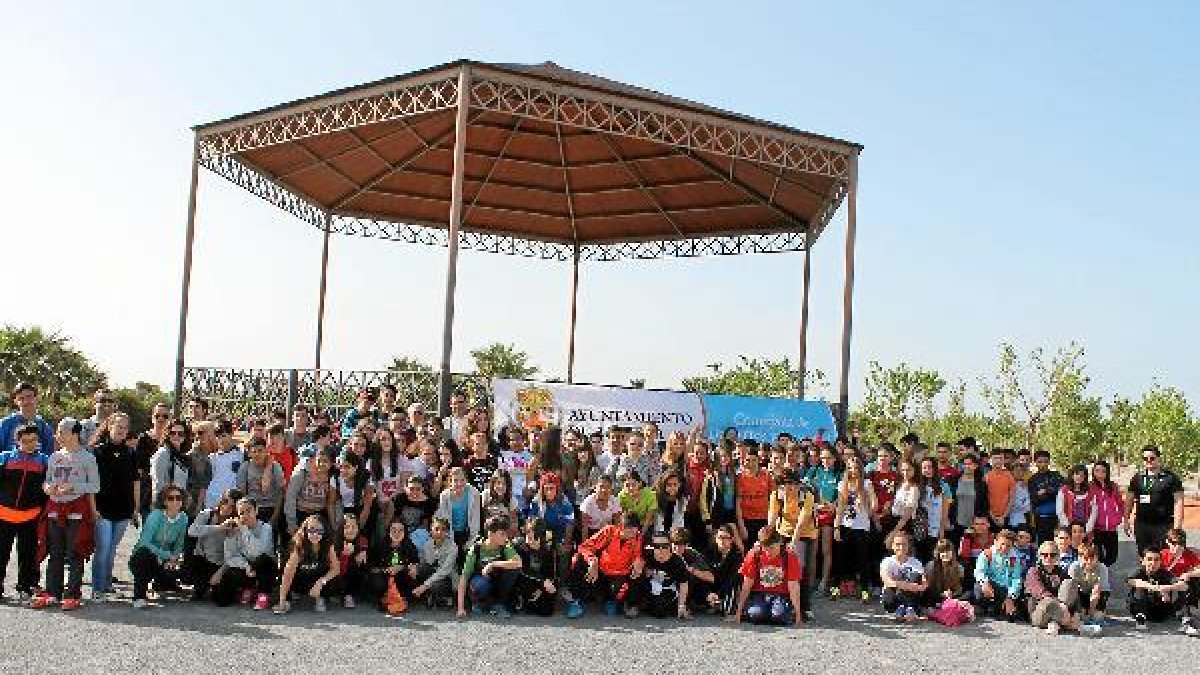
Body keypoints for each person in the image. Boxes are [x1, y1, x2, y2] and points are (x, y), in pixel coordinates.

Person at [35, 418, 100, 610]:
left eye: (62, 431)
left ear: (74, 433)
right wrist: (49, 488)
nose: (58, 435)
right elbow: (46, 482)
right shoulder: (54, 457)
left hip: (77, 511)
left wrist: (73, 486)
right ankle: (52, 593)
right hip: (55, 509)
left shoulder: (88, 458)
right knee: (54, 553)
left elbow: (95, 486)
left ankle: (72, 595)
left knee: (75, 552)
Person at [88, 412, 140, 602]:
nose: (122, 430)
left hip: (124, 509)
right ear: (109, 427)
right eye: (118, 426)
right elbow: (91, 484)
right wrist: (93, 509)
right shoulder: (98, 452)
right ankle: (97, 588)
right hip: (103, 508)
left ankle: (107, 584)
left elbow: (135, 482)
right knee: (102, 547)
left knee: (112, 549)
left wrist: (135, 507)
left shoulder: (131, 453)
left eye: (125, 428)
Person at [0, 423, 50, 602]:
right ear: (17, 441)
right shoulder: (5, 458)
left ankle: (25, 588)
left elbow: (48, 488)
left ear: (38, 440)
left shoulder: (44, 461)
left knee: (27, 555)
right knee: (1, 553)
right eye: (25, 441)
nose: (30, 444)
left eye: (33, 440)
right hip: (4, 515)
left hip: (30, 516)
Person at [564, 512, 644, 619]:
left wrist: (639, 562)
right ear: (620, 526)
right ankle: (575, 601)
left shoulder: (638, 537)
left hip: (618, 577)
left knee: (638, 572)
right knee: (578, 558)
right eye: (628, 527)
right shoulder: (609, 531)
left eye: (635, 527)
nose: (632, 531)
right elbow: (584, 547)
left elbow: (638, 556)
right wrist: (593, 561)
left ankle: (618, 601)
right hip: (599, 573)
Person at [128, 485, 190, 608]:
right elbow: (144, 542)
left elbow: (179, 543)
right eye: (171, 498)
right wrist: (164, 555)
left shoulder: (183, 518)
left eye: (178, 498)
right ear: (164, 501)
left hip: (165, 559)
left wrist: (174, 558)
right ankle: (139, 597)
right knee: (144, 555)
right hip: (145, 557)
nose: (175, 501)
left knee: (179, 571)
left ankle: (159, 584)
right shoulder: (156, 515)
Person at [732, 527, 803, 626]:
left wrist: (798, 615)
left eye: (772, 548)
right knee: (755, 615)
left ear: (780, 543)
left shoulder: (789, 555)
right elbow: (746, 585)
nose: (768, 552)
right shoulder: (754, 554)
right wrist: (738, 612)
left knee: (778, 616)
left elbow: (794, 586)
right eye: (765, 547)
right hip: (759, 594)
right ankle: (764, 613)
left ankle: (779, 613)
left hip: (781, 595)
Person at [214, 497, 277, 610]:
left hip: (264, 566)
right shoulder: (234, 529)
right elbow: (230, 557)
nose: (246, 515)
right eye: (242, 513)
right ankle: (248, 588)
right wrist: (246, 565)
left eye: (249, 510)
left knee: (265, 561)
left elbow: (258, 551)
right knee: (221, 598)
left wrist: (244, 530)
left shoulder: (266, 528)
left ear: (256, 510)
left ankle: (263, 594)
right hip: (247, 566)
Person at [457, 515, 522, 618]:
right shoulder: (475, 549)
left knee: (513, 569)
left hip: (497, 583)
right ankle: (478, 603)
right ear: (491, 534)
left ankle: (498, 604)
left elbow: (518, 563)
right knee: (480, 584)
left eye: (506, 534)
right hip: (480, 582)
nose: (506, 537)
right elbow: (464, 578)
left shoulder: (505, 545)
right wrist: (460, 608)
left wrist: (492, 564)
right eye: (502, 534)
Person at [273, 514, 340, 614]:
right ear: (305, 530)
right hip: (297, 579)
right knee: (282, 582)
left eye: (319, 531)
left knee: (332, 579)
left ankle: (320, 596)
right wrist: (282, 601)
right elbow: (288, 574)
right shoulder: (299, 546)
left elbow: (336, 569)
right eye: (311, 530)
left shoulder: (327, 544)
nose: (315, 534)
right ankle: (288, 598)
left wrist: (321, 582)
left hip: (316, 578)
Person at [1124, 445, 1184, 555]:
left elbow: (1179, 503)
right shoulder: (1137, 478)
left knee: (1164, 557)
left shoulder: (1171, 478)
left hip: (1164, 526)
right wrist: (1126, 520)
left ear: (1158, 459)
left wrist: (1177, 530)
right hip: (1142, 525)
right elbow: (1129, 500)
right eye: (1145, 458)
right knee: (1144, 556)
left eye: (1152, 458)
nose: (1148, 461)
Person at [834, 455, 877, 602]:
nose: (853, 471)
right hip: (845, 525)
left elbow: (874, 506)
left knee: (863, 560)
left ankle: (865, 591)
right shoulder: (842, 484)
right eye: (850, 468)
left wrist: (864, 501)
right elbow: (840, 507)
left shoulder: (867, 483)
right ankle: (835, 588)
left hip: (862, 527)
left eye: (856, 468)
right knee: (840, 559)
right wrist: (836, 527)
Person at [186, 490, 241, 601]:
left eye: (231, 506)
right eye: (225, 502)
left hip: (221, 564)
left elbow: (235, 554)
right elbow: (191, 531)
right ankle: (199, 585)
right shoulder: (207, 514)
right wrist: (219, 527)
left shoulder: (236, 525)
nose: (226, 507)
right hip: (202, 560)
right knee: (198, 593)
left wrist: (220, 572)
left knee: (221, 599)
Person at [235, 437, 285, 549]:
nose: (257, 454)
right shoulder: (245, 467)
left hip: (271, 507)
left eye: (260, 451)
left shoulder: (275, 466)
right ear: (249, 453)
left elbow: (281, 493)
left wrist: (275, 516)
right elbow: (241, 493)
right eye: (254, 451)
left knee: (270, 544)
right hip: (252, 508)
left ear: (266, 451)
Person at [629, 531, 690, 619]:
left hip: (668, 590)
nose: (661, 549)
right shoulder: (647, 555)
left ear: (669, 546)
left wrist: (681, 605)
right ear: (652, 547)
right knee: (634, 571)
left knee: (660, 612)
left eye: (664, 546)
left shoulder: (677, 562)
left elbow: (683, 584)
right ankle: (634, 605)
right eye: (657, 546)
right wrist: (639, 565)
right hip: (649, 588)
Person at [1127, 546, 1189, 632]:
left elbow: (1184, 585)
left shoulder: (1165, 573)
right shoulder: (1139, 572)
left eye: (1156, 560)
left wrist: (1168, 588)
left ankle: (1186, 622)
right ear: (1143, 561)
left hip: (1162, 610)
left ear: (1160, 562)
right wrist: (1156, 588)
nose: (1153, 563)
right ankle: (1140, 621)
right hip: (1142, 609)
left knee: (1182, 590)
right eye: (1149, 559)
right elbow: (1131, 581)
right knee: (1140, 586)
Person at [1025, 542, 1082, 635]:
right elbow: (1041, 593)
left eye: (1052, 555)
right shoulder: (1033, 571)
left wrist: (1077, 613)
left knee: (1070, 583)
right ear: (1039, 556)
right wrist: (1061, 606)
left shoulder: (1061, 572)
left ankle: (1056, 622)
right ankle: (1064, 622)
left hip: (1062, 611)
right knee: (1048, 602)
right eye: (1045, 555)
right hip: (1040, 612)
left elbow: (1073, 592)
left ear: (1057, 556)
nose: (1048, 558)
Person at [805, 445, 840, 596]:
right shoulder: (814, 471)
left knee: (826, 550)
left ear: (834, 458)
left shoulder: (839, 474)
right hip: (814, 514)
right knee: (813, 551)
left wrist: (834, 505)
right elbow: (804, 488)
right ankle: (811, 583)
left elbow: (842, 495)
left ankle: (824, 582)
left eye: (829, 458)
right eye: (823, 458)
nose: (825, 461)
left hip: (829, 516)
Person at [367, 519, 420, 615]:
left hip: (401, 577)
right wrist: (386, 570)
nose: (397, 533)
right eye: (394, 530)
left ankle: (403, 599)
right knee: (377, 582)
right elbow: (371, 567)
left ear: (405, 532)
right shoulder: (380, 545)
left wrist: (403, 567)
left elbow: (415, 563)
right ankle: (382, 599)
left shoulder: (410, 546)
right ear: (388, 531)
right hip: (383, 576)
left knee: (412, 574)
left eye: (400, 530)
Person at [513, 517, 559, 616]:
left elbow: (553, 572)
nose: (530, 541)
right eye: (528, 535)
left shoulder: (549, 546)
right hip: (527, 579)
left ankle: (533, 603)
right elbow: (523, 570)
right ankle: (521, 600)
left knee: (546, 611)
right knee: (523, 583)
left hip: (543, 581)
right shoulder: (519, 545)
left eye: (535, 538)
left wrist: (542, 588)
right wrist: (542, 581)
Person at [973, 528, 1023, 621]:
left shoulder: (1014, 558)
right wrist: (984, 583)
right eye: (1002, 544)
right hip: (990, 586)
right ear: (995, 542)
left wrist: (1010, 597)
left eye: (1008, 546)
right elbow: (979, 572)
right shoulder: (987, 554)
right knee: (978, 588)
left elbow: (1016, 579)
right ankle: (983, 606)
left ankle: (998, 608)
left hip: (1005, 589)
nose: (1004, 548)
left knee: (1011, 615)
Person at [284, 451, 336, 536]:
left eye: (325, 461)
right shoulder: (302, 473)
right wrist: (292, 523)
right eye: (319, 460)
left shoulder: (332, 478)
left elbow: (331, 502)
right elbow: (290, 497)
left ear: (331, 464)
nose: (321, 464)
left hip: (320, 516)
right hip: (300, 515)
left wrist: (333, 525)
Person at [699, 443, 740, 551]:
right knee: (716, 546)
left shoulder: (733, 475)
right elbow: (703, 501)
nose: (724, 458)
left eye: (726, 455)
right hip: (716, 517)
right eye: (721, 456)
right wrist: (707, 521)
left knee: (733, 545)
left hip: (730, 515)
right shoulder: (711, 477)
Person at [879, 531, 928, 621]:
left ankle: (907, 609)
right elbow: (887, 581)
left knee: (914, 575)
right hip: (892, 596)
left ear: (908, 546)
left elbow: (924, 585)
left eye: (904, 544)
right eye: (898, 544)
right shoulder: (887, 561)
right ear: (892, 546)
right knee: (893, 585)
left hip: (911, 595)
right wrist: (908, 585)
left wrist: (900, 583)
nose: (901, 547)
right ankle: (905, 609)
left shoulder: (916, 562)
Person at [1160, 528, 1200, 635]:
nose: (1177, 546)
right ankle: (1186, 616)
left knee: (1189, 583)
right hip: (1166, 588)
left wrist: (1189, 574)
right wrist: (1163, 591)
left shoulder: (1188, 554)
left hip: (1182, 587)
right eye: (1173, 543)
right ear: (1167, 542)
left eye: (1180, 543)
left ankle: (1186, 620)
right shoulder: (1162, 554)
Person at [412, 516, 458, 608]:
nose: (439, 532)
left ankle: (447, 598)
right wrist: (414, 568)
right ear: (431, 530)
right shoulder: (427, 545)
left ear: (447, 532)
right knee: (419, 569)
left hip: (447, 578)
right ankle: (429, 596)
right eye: (436, 529)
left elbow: (444, 571)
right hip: (433, 574)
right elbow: (425, 563)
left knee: (435, 586)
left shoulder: (453, 547)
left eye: (443, 530)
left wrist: (424, 586)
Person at [435, 467, 481, 558]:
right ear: (450, 481)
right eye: (455, 480)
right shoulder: (444, 496)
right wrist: (451, 543)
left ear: (466, 480)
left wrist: (470, 542)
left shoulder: (474, 493)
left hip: (467, 532)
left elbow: (475, 519)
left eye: (462, 480)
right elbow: (445, 520)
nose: (459, 484)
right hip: (451, 533)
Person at [522, 471, 575, 548]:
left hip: (560, 531)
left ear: (557, 489)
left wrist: (566, 542)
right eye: (546, 488)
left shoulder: (565, 504)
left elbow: (570, 525)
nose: (549, 492)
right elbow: (530, 520)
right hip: (542, 531)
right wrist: (530, 538)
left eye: (552, 488)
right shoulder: (536, 502)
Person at [735, 446, 773, 549]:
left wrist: (771, 522)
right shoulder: (740, 477)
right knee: (749, 550)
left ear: (759, 460)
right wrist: (741, 525)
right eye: (748, 460)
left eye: (754, 460)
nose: (751, 463)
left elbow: (773, 498)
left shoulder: (766, 475)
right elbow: (738, 503)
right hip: (747, 520)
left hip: (764, 519)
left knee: (764, 549)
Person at [0, 383, 54, 455]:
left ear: (37, 398)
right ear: (16, 401)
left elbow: (49, 455)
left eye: (29, 397)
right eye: (21, 398)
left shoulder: (45, 427)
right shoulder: (5, 424)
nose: (26, 401)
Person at [1067, 542, 1112, 630]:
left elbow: (1097, 590)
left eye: (1092, 558)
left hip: (1099, 593)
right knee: (1081, 616)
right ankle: (1083, 610)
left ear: (1097, 558)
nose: (1089, 562)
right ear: (1079, 558)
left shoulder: (1102, 568)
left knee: (1096, 617)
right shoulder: (1074, 567)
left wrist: (1091, 612)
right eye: (1086, 558)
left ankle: (1095, 612)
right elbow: (1072, 589)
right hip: (1081, 592)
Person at [1088, 460, 1123, 567]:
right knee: (1098, 556)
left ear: (1107, 473)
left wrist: (1118, 517)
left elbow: (1120, 503)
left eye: (1103, 471)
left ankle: (1104, 571)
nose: (1100, 474)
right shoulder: (1089, 486)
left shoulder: (1113, 486)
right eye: (1097, 471)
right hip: (1096, 528)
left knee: (1112, 557)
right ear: (1093, 472)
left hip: (1111, 529)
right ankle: (1102, 577)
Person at [203, 421, 244, 510]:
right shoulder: (211, 458)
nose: (221, 440)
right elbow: (205, 483)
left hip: (233, 501)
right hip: (212, 500)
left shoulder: (241, 454)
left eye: (224, 436)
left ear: (231, 434)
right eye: (218, 437)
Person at [704, 524, 743, 616]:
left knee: (735, 582)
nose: (722, 540)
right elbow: (705, 574)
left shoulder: (737, 555)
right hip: (711, 587)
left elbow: (732, 579)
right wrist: (708, 593)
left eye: (726, 538)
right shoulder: (709, 552)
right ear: (715, 538)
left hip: (727, 587)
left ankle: (723, 604)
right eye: (720, 537)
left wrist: (719, 595)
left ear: (732, 540)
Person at [150, 419, 192, 503]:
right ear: (168, 435)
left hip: (178, 505)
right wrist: (160, 508)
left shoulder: (182, 456)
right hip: (165, 507)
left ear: (185, 436)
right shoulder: (163, 453)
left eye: (180, 434)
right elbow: (157, 485)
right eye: (172, 433)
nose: (176, 436)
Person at [1027, 450, 1063, 544]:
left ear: (1049, 462)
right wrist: (1046, 493)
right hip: (1041, 519)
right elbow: (1033, 499)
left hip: (1057, 518)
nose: (1043, 464)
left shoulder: (1056, 475)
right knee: (1043, 545)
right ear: (1035, 463)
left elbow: (1060, 493)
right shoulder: (1033, 479)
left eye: (1045, 461)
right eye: (1040, 462)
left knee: (1058, 545)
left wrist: (1045, 491)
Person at [952, 453, 989, 545]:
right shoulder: (955, 480)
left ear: (975, 466)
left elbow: (984, 504)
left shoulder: (981, 483)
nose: (967, 466)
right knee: (957, 548)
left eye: (970, 464)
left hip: (974, 525)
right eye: (965, 464)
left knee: (972, 550)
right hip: (957, 522)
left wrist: (980, 523)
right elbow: (949, 502)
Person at [334, 515, 369, 608]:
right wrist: (345, 556)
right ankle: (344, 594)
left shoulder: (362, 540)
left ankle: (353, 593)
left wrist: (363, 554)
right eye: (347, 527)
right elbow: (337, 570)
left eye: (354, 527)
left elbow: (366, 563)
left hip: (355, 577)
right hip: (338, 576)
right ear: (342, 529)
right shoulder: (336, 542)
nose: (351, 530)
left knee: (358, 567)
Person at [579, 474, 622, 539]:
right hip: (592, 533)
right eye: (601, 486)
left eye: (608, 487)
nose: (604, 490)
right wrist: (585, 546)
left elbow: (617, 522)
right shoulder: (588, 503)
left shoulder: (614, 501)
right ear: (595, 487)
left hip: (608, 532)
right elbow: (584, 528)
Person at [1056, 465, 1096, 533]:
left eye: (1082, 475)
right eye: (1077, 474)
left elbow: (1094, 511)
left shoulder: (1090, 491)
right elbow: (1060, 511)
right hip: (1067, 527)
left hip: (1085, 527)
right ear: (1072, 475)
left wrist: (1088, 527)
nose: (1079, 477)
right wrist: (1069, 526)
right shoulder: (1064, 490)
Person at [617, 470, 657, 537]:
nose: (631, 488)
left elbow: (649, 517)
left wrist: (642, 533)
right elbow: (622, 515)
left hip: (646, 523)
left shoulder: (649, 494)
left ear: (640, 483)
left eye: (633, 484)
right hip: (631, 522)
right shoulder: (622, 496)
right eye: (627, 485)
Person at [983, 449, 1015, 531]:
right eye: (995, 458)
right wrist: (992, 516)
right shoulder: (987, 477)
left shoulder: (1009, 476)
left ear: (1003, 460)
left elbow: (1012, 498)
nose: (998, 461)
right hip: (989, 516)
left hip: (1005, 516)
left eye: (1000, 458)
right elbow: (984, 499)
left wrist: (1003, 516)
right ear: (991, 460)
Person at [924, 538, 964, 605]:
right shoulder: (930, 566)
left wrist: (952, 593)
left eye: (948, 551)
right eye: (942, 551)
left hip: (952, 598)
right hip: (933, 598)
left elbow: (959, 588)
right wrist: (941, 595)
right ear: (938, 553)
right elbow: (927, 588)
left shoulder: (959, 568)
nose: (945, 554)